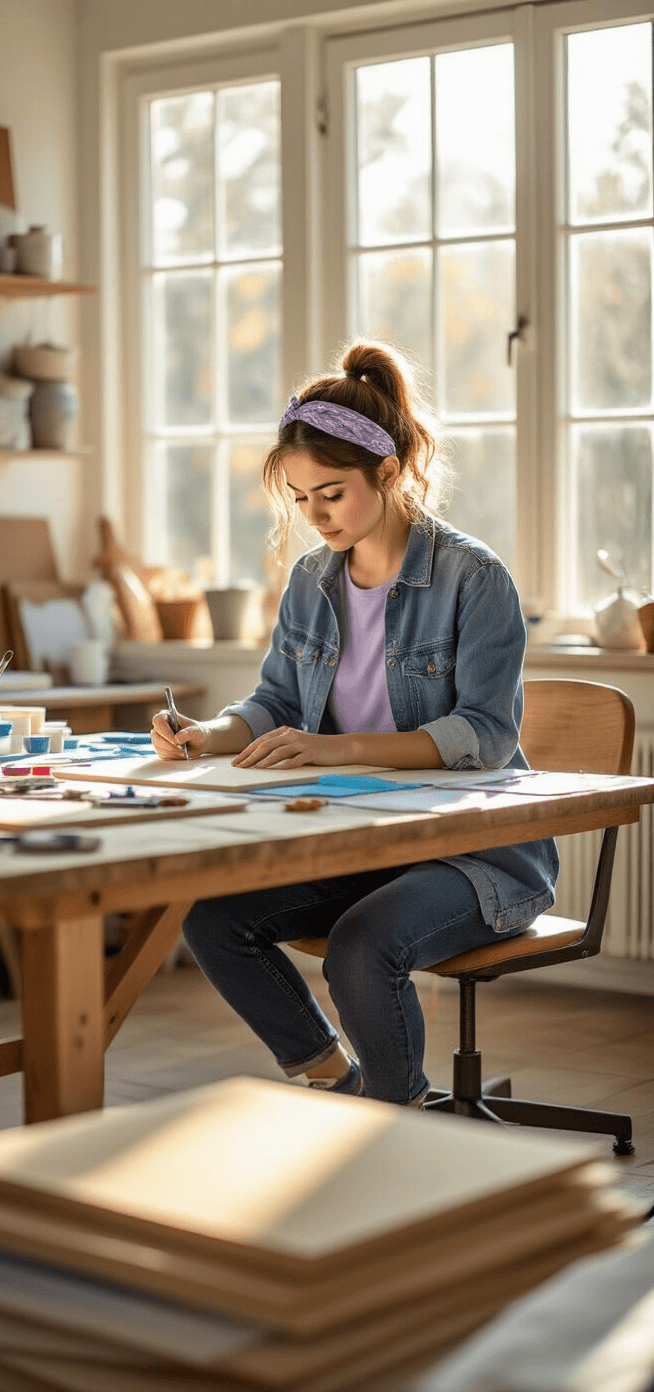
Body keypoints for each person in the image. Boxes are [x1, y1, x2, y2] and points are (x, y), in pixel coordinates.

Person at [151, 340, 559, 1106]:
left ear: (389, 470)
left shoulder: (474, 578)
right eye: (301, 500)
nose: (315, 517)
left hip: (477, 858)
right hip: (364, 844)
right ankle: (340, 1083)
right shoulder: (311, 582)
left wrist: (332, 746)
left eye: (330, 494)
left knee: (363, 944)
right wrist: (209, 733)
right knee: (211, 917)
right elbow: (274, 702)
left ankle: (396, 1121)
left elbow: (485, 737)